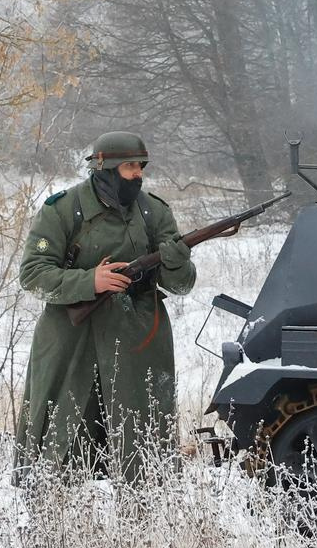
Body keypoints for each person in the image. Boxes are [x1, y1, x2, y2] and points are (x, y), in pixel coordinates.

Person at [14, 131, 197, 481]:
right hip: (71, 342)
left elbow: (181, 284)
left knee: (144, 456)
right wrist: (89, 282)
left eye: (140, 166)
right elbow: (32, 274)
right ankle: (54, 529)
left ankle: (145, 532)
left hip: (138, 343)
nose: (138, 174)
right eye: (130, 166)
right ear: (106, 168)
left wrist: (176, 263)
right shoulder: (64, 209)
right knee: (56, 455)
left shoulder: (153, 211)